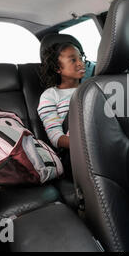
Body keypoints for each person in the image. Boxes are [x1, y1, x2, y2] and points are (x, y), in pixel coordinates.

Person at [37, 41, 86, 176]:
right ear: (58, 68)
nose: (80, 63)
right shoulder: (50, 96)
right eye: (73, 60)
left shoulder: (92, 88)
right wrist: (89, 145)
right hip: (75, 154)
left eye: (81, 58)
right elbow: (56, 137)